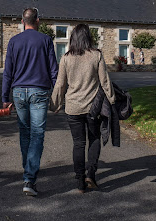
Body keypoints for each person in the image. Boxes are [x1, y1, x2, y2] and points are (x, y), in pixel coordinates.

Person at [51, 24, 115, 193]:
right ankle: (91, 175)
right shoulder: (97, 55)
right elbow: (105, 81)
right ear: (88, 37)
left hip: (73, 108)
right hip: (93, 108)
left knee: (78, 143)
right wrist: (112, 99)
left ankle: (80, 181)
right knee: (94, 139)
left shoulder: (66, 58)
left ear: (73, 38)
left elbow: (60, 84)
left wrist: (55, 104)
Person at [2, 8, 58, 196]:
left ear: (22, 21)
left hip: (18, 92)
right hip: (39, 91)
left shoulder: (14, 41)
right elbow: (53, 70)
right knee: (37, 134)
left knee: (25, 132)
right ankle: (29, 177)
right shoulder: (45, 40)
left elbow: (8, 71)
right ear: (38, 21)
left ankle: (28, 169)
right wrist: (58, 95)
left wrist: (4, 97)